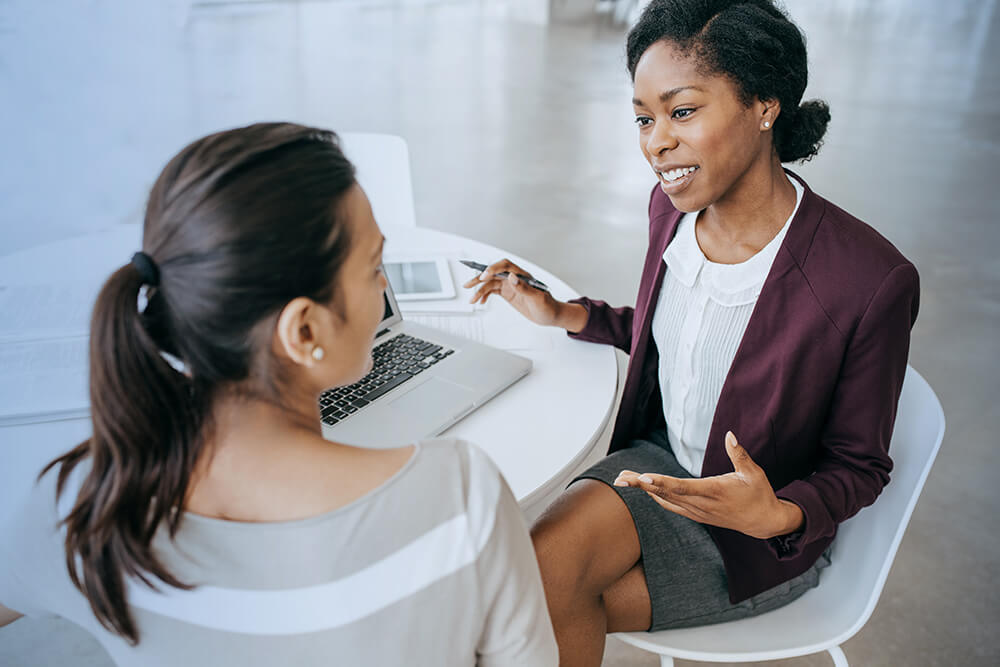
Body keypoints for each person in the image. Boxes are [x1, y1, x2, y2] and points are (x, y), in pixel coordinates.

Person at [0, 123, 557, 666]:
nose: (385, 286)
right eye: (372, 268)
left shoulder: (83, 507)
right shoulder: (461, 498)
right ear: (305, 331)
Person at [464, 1, 919, 664]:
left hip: (754, 536)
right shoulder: (672, 210)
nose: (655, 142)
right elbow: (677, 337)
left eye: (682, 112)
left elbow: (859, 465)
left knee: (524, 603)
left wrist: (776, 515)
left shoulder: (869, 279)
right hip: (657, 463)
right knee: (519, 589)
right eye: (644, 118)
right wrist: (566, 313)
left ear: (765, 105)